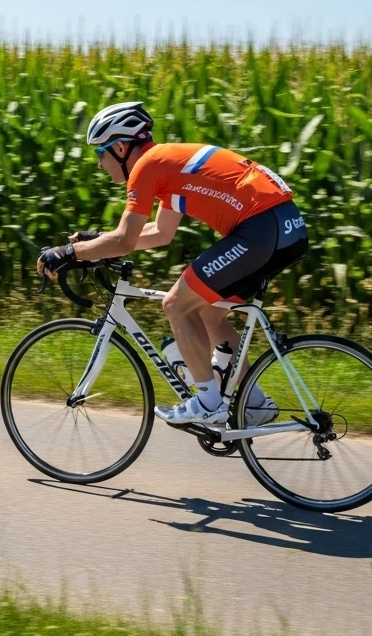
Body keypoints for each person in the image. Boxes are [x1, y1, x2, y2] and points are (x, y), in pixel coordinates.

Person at [37, 101, 308, 426]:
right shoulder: (168, 164)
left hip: (262, 230)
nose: (99, 164)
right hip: (285, 227)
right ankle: (255, 404)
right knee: (209, 312)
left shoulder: (147, 166)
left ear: (121, 147)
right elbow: (159, 233)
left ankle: (209, 401)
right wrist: (97, 242)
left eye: (100, 153)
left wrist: (67, 253)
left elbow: (125, 240)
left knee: (176, 304)